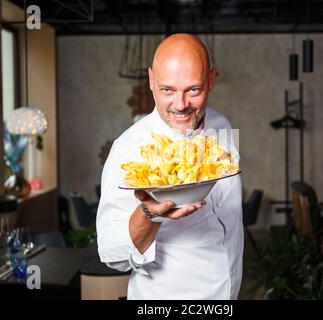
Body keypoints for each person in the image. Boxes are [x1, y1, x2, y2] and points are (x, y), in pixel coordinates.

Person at [97, 33, 243, 299]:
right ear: (151, 80)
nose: (180, 105)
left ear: (210, 80)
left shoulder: (221, 126)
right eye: (167, 90)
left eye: (193, 90)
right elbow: (110, 253)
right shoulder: (129, 148)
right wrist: (149, 214)